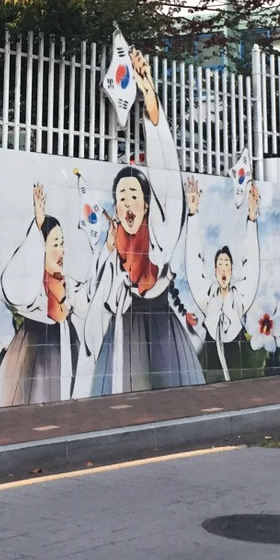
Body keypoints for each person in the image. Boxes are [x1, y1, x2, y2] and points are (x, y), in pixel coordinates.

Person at [88, 49, 205, 394]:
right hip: (123, 330)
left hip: (162, 325)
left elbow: (166, 174)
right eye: (121, 197)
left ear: (147, 203)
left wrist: (149, 95)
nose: (127, 202)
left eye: (133, 195)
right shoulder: (112, 242)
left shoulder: (159, 235)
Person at [0, 183, 94, 407]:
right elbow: (15, 290)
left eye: (62, 244)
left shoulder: (67, 284)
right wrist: (37, 227)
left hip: (67, 350)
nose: (61, 250)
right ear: (40, 248)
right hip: (34, 356)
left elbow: (89, 304)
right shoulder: (34, 288)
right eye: (55, 244)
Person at [185, 176, 261, 382]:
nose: (223, 269)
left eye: (227, 264)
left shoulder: (239, 298)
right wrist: (192, 214)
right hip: (212, 357)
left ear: (233, 270)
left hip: (237, 354)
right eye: (220, 264)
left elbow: (252, 266)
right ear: (214, 270)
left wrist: (252, 218)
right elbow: (193, 264)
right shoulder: (208, 296)